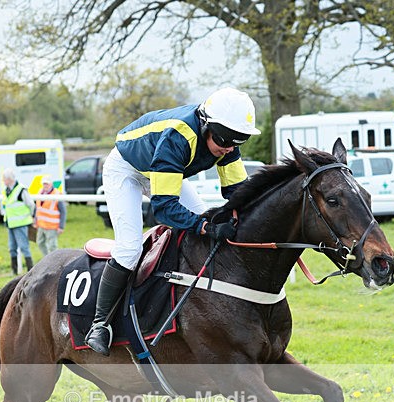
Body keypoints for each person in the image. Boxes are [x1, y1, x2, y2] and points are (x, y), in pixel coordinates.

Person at [84, 86, 261, 356]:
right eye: (224, 140)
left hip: (161, 169)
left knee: (201, 220)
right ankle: (99, 324)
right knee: (130, 248)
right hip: (127, 170)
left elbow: (237, 192)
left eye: (238, 141)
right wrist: (206, 226)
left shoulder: (227, 142)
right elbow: (165, 208)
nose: (228, 148)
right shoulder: (179, 137)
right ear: (205, 125)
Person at [2, 167, 35, 274]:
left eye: (4, 178)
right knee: (12, 247)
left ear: (9, 179)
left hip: (21, 224)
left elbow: (31, 204)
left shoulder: (21, 190)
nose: (3, 181)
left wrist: (31, 217)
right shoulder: (5, 190)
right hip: (10, 224)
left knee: (24, 247)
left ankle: (30, 270)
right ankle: (14, 270)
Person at [34, 174, 66, 256]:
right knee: (40, 242)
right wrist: (35, 220)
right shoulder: (40, 193)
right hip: (41, 225)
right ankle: (47, 258)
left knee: (52, 246)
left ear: (51, 184)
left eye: (47, 184)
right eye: (44, 184)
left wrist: (61, 226)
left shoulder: (57, 194)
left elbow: (63, 211)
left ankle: (54, 261)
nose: (45, 185)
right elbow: (37, 208)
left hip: (52, 226)